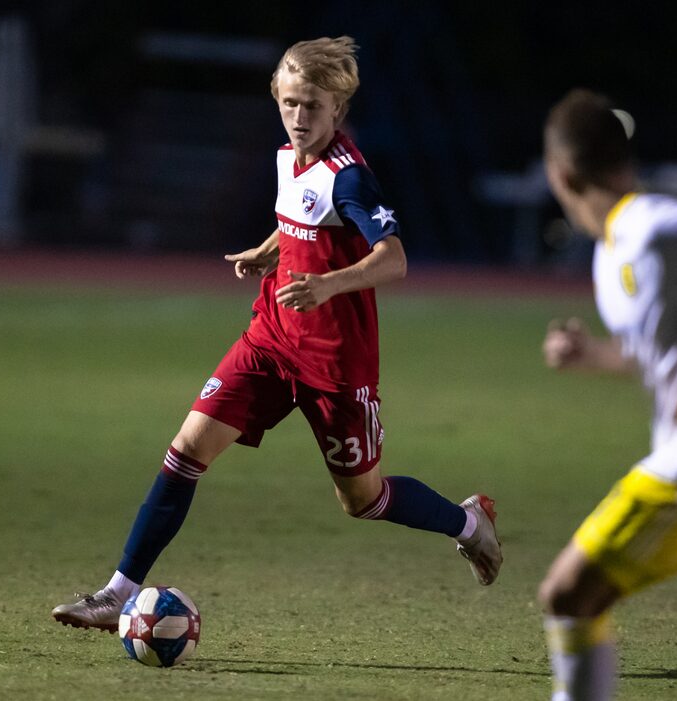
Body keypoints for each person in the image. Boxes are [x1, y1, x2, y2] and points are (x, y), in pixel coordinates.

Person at [52, 36, 502, 632]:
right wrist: (271, 252)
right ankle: (117, 592)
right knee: (187, 449)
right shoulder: (287, 159)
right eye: (289, 103)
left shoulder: (351, 178)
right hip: (270, 340)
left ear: (338, 109)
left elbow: (394, 259)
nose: (298, 117)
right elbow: (299, 214)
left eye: (312, 106)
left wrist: (326, 285)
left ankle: (470, 523)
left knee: (363, 500)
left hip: (336, 364)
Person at [539, 88, 677, 700]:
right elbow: (659, 356)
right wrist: (594, 357)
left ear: (560, 175)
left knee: (568, 595)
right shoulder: (611, 257)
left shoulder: (661, 227)